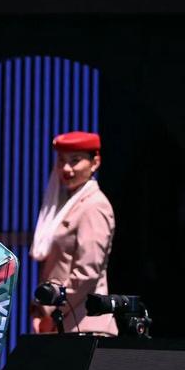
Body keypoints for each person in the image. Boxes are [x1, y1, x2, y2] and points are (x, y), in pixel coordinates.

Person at [30, 131, 118, 336]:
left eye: (75, 161)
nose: (66, 168)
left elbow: (87, 274)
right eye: (61, 161)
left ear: (95, 162)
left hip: (84, 324)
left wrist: (50, 312)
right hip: (66, 324)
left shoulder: (94, 205)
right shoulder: (67, 203)